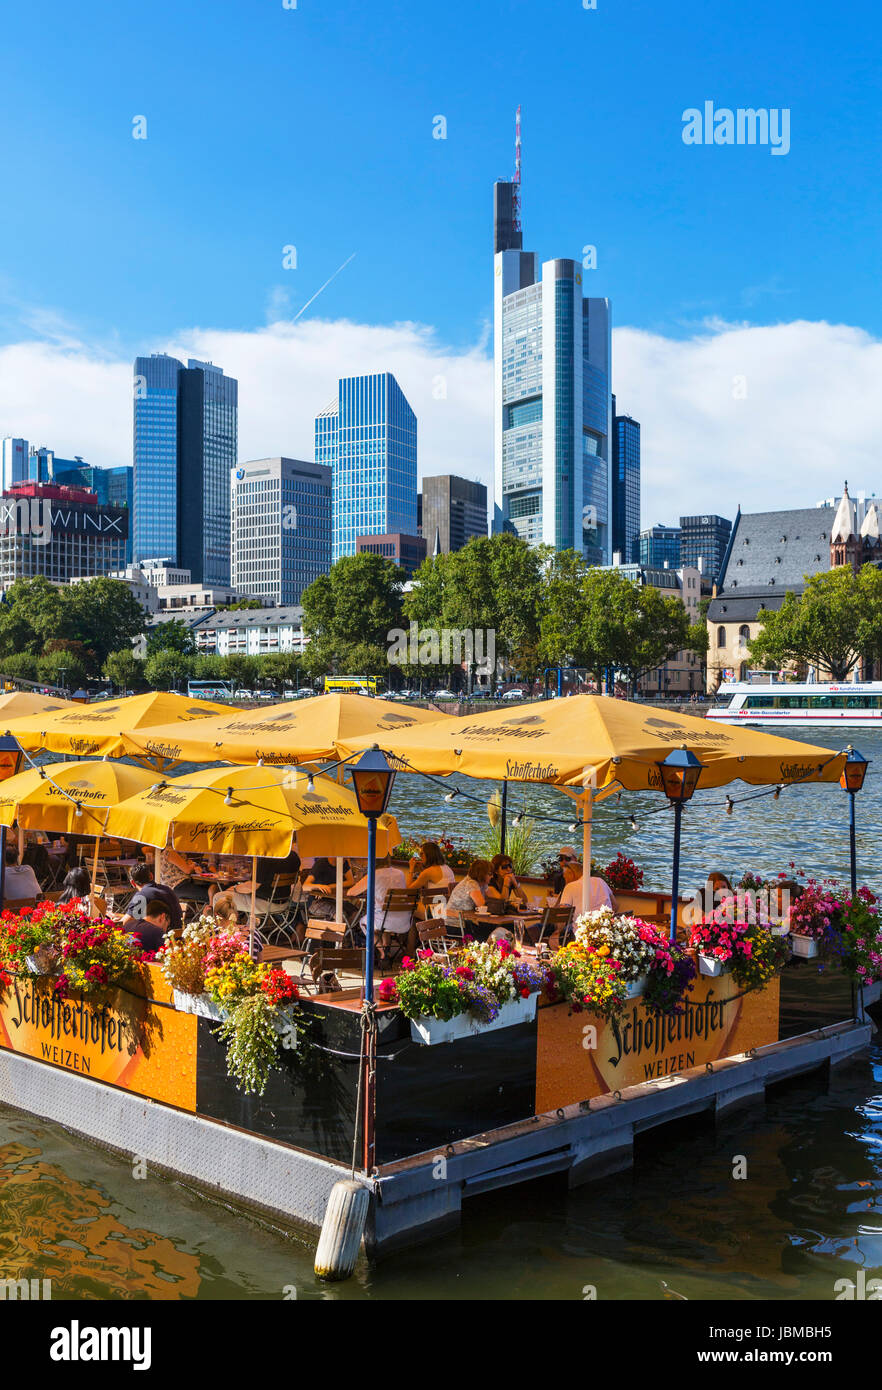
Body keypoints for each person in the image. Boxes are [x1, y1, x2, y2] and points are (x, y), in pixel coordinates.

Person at [349, 854, 411, 961]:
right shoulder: (400, 873)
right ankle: (386, 948)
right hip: (405, 922)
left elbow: (351, 892)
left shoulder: (374, 874)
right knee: (383, 920)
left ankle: (382, 952)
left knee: (363, 922)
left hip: (384, 920)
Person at [122, 864, 183, 934]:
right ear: (151, 876)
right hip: (177, 937)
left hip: (160, 940)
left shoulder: (142, 896)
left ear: (132, 882)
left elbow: (125, 924)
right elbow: (136, 917)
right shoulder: (167, 889)